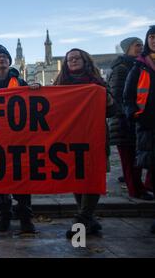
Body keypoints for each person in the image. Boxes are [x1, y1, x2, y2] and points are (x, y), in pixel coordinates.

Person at [55, 49, 116, 238]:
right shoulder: (59, 85)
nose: (73, 61)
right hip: (72, 138)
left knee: (92, 176)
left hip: (94, 137)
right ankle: (89, 218)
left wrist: (106, 99)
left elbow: (112, 110)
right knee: (78, 176)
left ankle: (81, 220)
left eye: (76, 58)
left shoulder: (97, 83)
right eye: (69, 59)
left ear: (85, 60)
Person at [0, 44, 39, 234]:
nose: (2, 59)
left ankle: (25, 218)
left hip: (18, 140)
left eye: (5, 57)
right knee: (0, 181)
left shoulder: (22, 83)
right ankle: (4, 215)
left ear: (10, 61)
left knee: (22, 180)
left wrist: (37, 89)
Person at [108, 37, 152, 200]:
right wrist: (130, 114)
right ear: (127, 49)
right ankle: (136, 190)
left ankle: (142, 185)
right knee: (130, 159)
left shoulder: (140, 65)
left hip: (138, 120)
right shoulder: (121, 68)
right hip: (125, 122)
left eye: (142, 45)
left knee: (139, 157)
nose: (141, 48)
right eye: (137, 45)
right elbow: (118, 96)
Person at [123, 25, 155, 234]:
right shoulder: (139, 67)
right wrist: (136, 115)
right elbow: (127, 97)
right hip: (149, 125)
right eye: (152, 37)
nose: (154, 40)